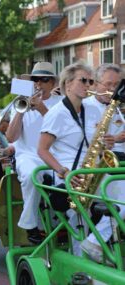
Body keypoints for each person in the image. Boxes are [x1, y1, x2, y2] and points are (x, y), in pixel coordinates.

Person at [38, 62, 117, 259]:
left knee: (121, 203)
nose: (88, 85)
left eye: (90, 81)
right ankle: (80, 270)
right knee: (79, 221)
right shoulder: (57, 113)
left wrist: (106, 143)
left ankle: (94, 242)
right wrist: (63, 172)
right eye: (83, 80)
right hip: (71, 177)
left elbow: (95, 144)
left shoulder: (92, 110)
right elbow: (42, 150)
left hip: (93, 172)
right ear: (68, 84)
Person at [6, 61, 62, 244]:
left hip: (54, 156)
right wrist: (21, 111)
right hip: (28, 156)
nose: (39, 84)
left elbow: (62, 132)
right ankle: (30, 225)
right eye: (35, 80)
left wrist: (42, 109)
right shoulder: (20, 103)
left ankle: (65, 224)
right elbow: (11, 137)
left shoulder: (60, 104)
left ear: (52, 83)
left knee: (73, 180)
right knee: (31, 175)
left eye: (44, 80)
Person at [79, 63, 125, 262]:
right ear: (96, 84)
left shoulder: (119, 108)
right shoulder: (84, 107)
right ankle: (95, 241)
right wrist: (104, 142)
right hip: (96, 170)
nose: (112, 89)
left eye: (116, 85)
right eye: (107, 84)